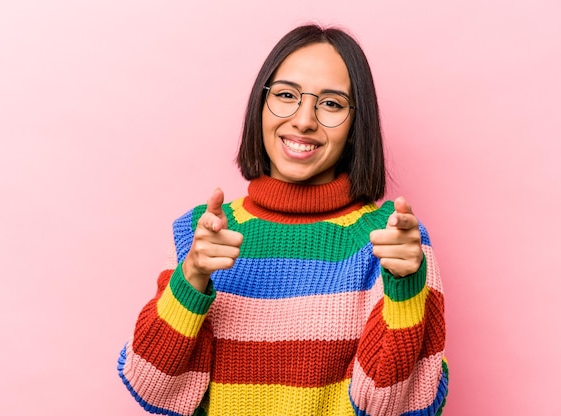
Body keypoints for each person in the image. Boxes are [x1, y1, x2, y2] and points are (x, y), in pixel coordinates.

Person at [117, 24, 449, 416]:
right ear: (260, 106)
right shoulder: (204, 234)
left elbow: (397, 406)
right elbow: (152, 387)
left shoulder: (392, 243)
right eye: (287, 95)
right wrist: (190, 279)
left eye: (331, 103)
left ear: (356, 127)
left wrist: (406, 288)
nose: (304, 120)